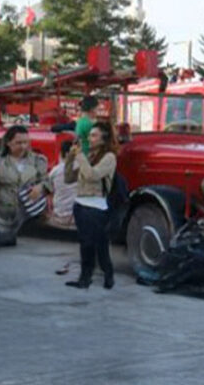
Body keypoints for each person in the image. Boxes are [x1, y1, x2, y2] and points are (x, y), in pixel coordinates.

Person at [64, 122, 119, 289]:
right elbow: (68, 178)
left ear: (104, 139)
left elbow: (91, 175)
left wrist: (80, 155)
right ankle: (85, 277)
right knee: (85, 244)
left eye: (94, 135)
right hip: (81, 204)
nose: (90, 139)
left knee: (100, 244)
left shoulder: (109, 157)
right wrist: (71, 157)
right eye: (90, 135)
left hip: (96, 206)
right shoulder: (88, 156)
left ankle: (107, 273)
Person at [0, 125, 48, 246]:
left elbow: (47, 181)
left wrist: (40, 187)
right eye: (18, 143)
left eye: (25, 142)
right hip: (3, 217)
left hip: (30, 218)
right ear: (8, 143)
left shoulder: (38, 160)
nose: (23, 146)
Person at [45, 140, 80, 229]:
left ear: (62, 153)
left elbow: (47, 191)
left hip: (59, 217)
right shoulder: (82, 169)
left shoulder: (55, 171)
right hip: (77, 218)